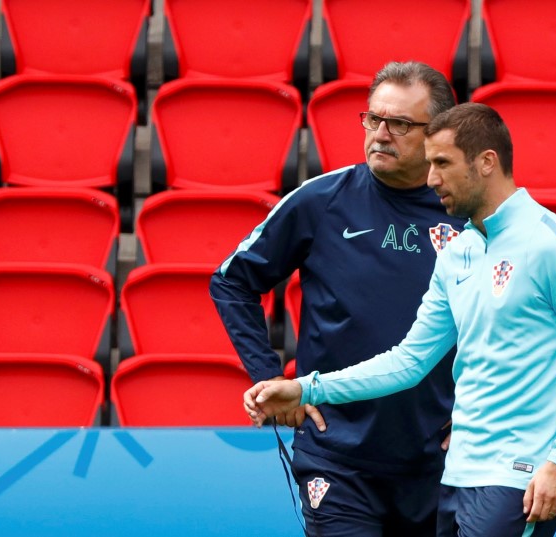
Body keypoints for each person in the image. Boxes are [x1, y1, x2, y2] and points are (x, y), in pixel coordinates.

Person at [243, 102, 556, 537]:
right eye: (429, 164)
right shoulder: (458, 252)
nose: (430, 180)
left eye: (442, 163)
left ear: (486, 163)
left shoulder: (551, 244)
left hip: (520, 477)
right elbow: (408, 361)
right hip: (455, 475)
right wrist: (305, 387)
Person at [210, 61, 465, 536]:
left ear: (440, 134)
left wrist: (478, 413)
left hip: (442, 462)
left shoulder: (469, 216)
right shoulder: (320, 199)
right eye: (373, 119)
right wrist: (270, 378)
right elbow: (231, 281)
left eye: (401, 125)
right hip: (337, 456)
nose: (381, 134)